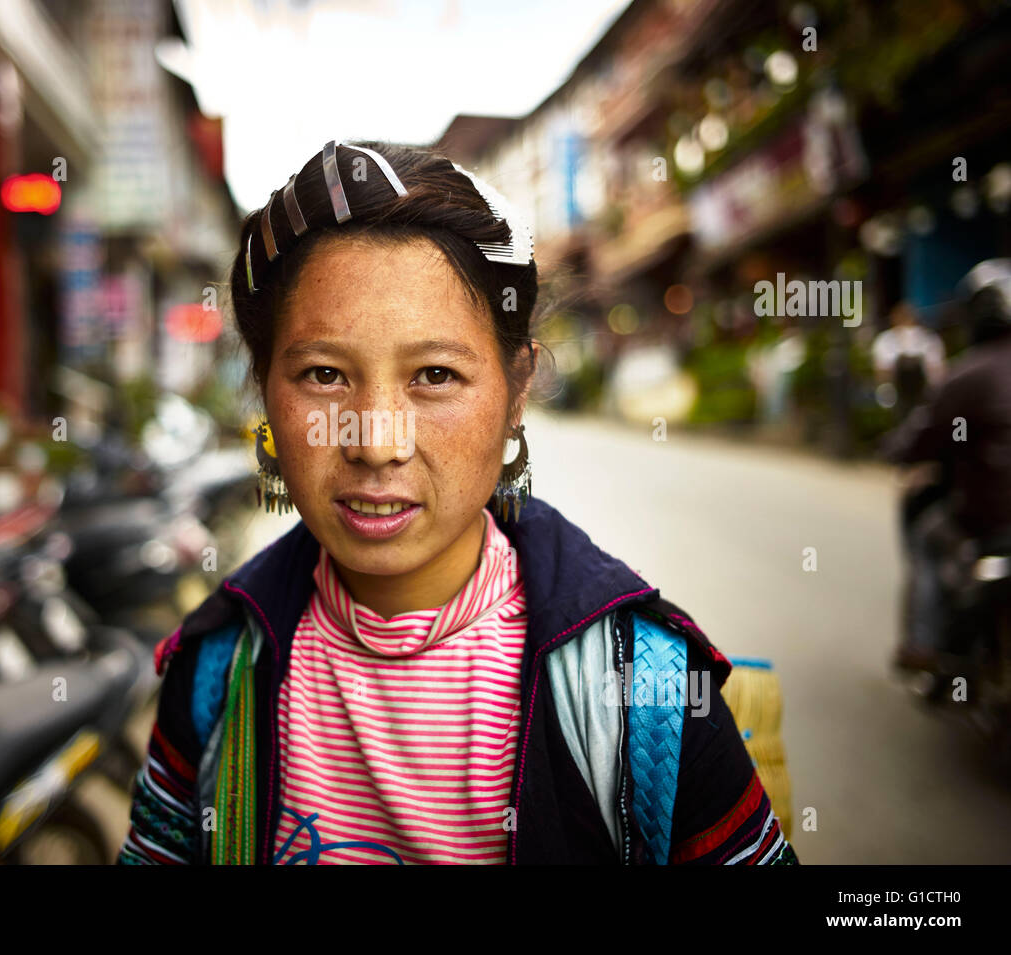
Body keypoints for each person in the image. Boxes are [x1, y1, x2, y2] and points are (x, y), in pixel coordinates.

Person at [119, 141, 796, 865]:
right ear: (265, 392)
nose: (376, 440)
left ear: (516, 389)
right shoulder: (215, 669)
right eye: (323, 373)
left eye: (435, 374)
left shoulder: (646, 690)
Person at [882, 260, 1011, 668]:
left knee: (927, 535)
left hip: (989, 516)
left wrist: (896, 450)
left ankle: (923, 645)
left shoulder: (966, 375)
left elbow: (917, 438)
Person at [871, 300, 945, 423]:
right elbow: (880, 372)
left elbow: (938, 369)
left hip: (925, 393)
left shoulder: (927, 338)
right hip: (897, 395)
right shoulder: (884, 341)